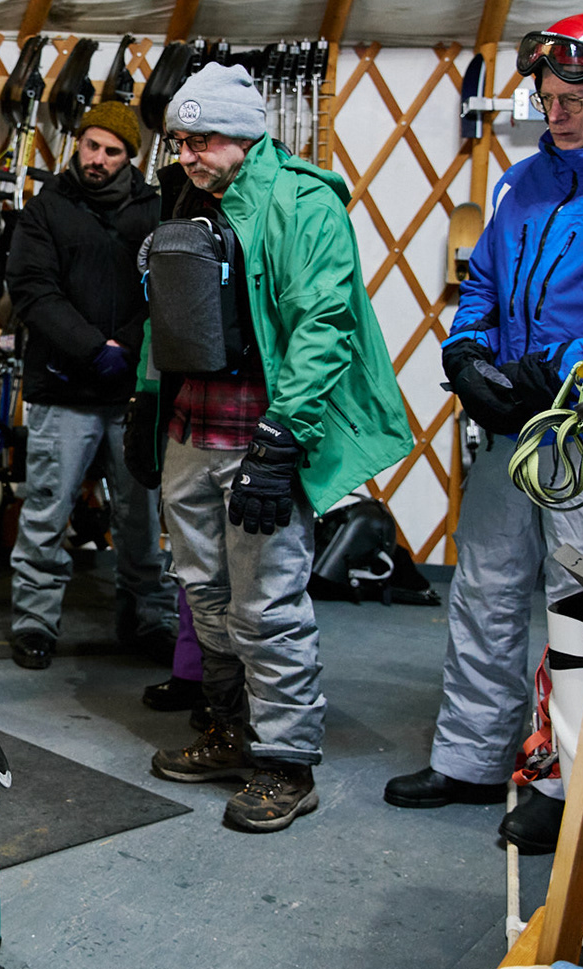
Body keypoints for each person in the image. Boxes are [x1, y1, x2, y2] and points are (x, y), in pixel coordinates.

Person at [385, 13, 583, 853]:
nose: (558, 111)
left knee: (580, 605)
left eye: (575, 96)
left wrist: (556, 372)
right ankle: (471, 756)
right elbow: (485, 287)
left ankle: (567, 782)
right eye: (547, 96)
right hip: (510, 426)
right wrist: (467, 353)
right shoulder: (515, 181)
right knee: (486, 586)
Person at [136, 63, 412, 833]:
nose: (190, 152)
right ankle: (229, 728)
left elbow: (324, 325)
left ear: (248, 133)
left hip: (260, 431)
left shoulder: (304, 201)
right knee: (203, 589)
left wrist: (282, 440)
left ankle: (286, 763)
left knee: (268, 604)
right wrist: (144, 401)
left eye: (206, 138)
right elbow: (165, 314)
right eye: (182, 139)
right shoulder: (189, 197)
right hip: (191, 425)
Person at [2, 100, 170, 670]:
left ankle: (145, 617)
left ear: (131, 157)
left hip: (133, 392)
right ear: (78, 144)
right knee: (47, 509)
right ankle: (34, 621)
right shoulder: (47, 208)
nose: (97, 159)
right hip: (64, 386)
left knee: (141, 517)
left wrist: (127, 348)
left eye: (112, 151)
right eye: (91, 146)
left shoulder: (154, 211)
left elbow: (167, 290)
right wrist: (94, 349)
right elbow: (32, 289)